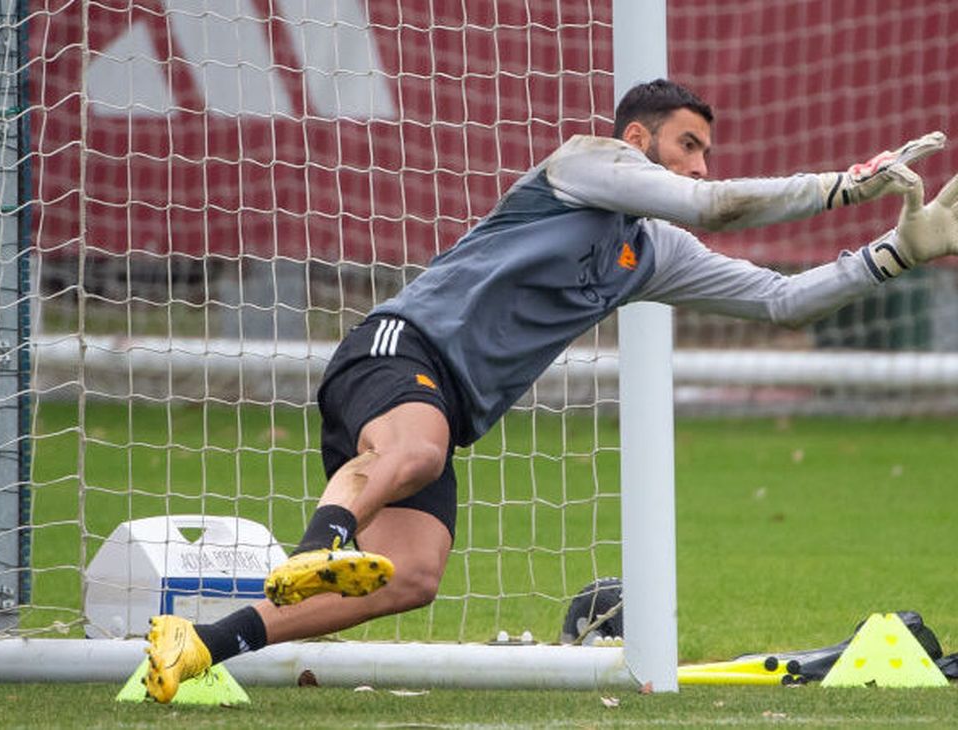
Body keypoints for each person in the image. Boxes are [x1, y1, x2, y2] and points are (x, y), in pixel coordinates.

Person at [142, 79, 958, 702]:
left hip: (445, 405)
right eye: (687, 144)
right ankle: (319, 547)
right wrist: (844, 187)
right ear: (636, 139)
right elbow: (712, 203)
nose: (701, 163)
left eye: (706, 150)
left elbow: (779, 301)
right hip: (397, 350)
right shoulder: (581, 163)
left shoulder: (651, 252)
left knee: (413, 576)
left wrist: (893, 252)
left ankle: (201, 646)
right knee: (417, 451)